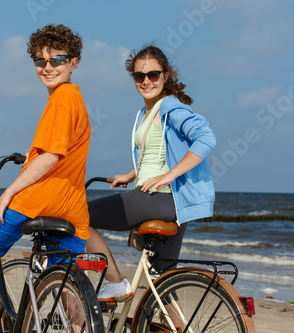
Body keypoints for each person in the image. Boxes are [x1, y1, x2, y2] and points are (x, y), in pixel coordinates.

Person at [0, 24, 91, 332]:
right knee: (64, 281)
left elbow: (50, 156)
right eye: (40, 61)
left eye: (57, 59)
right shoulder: (76, 99)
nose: (48, 67)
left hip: (37, 202)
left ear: (73, 63)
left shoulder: (61, 100)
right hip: (72, 208)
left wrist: (9, 193)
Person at [86, 45, 216, 302]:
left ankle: (114, 282)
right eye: (139, 76)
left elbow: (206, 138)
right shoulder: (145, 113)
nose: (146, 81)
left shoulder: (169, 107)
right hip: (170, 204)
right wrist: (131, 174)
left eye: (153, 74)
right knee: (162, 281)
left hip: (158, 198)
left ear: (166, 76)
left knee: (79, 214)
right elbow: (157, 155)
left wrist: (168, 177)